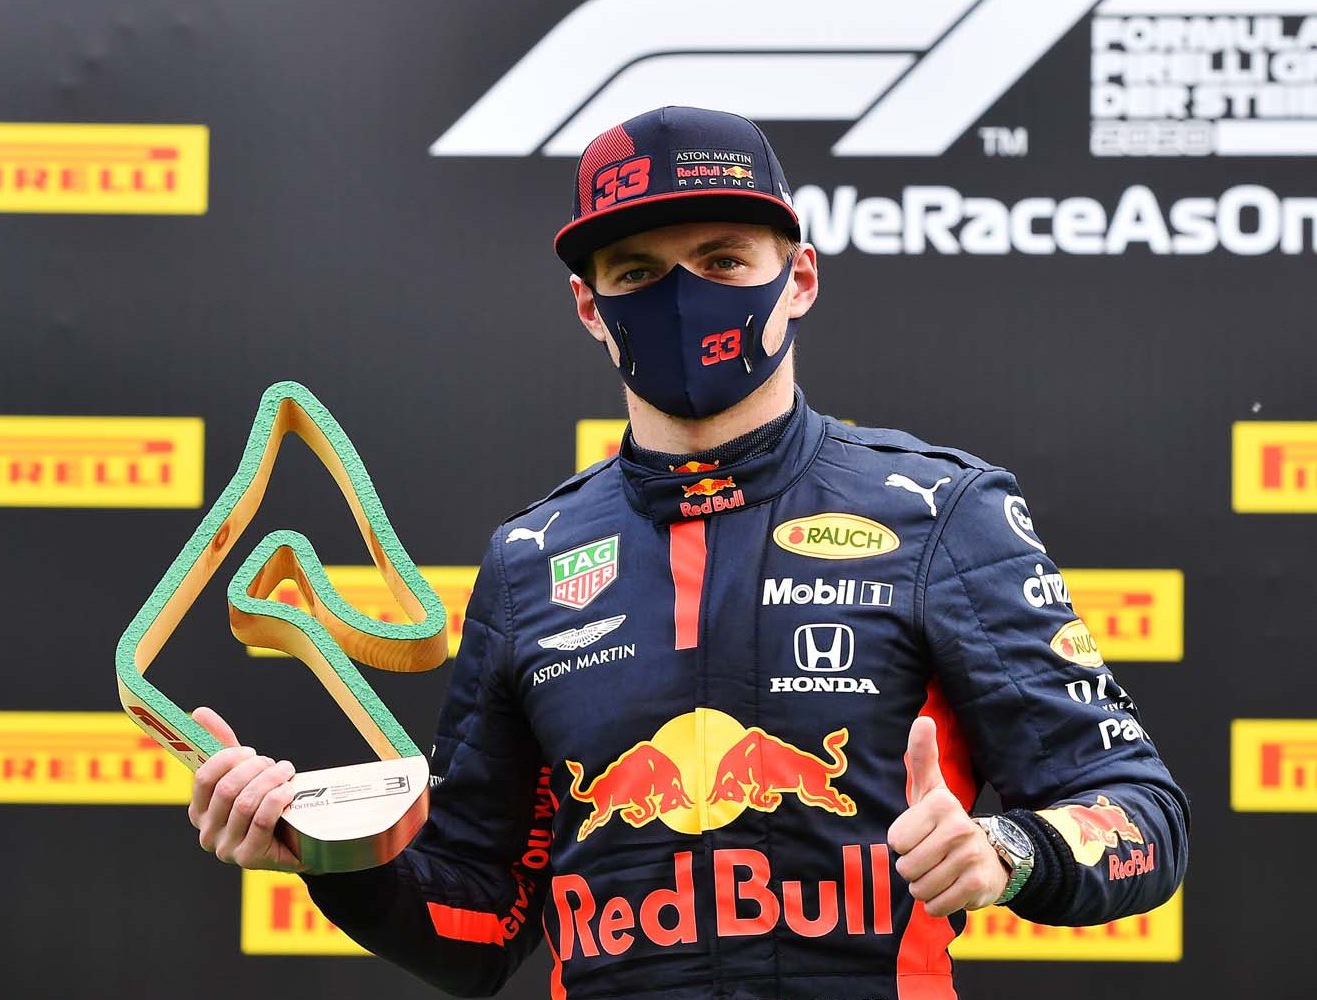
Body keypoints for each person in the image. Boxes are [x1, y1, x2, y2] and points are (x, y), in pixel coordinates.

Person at [185, 106, 1188, 1000]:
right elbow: (478, 927)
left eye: (721, 261)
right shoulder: (530, 561)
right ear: (590, 307)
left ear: (797, 278)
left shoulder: (941, 511)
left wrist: (1008, 850)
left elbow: (1145, 816)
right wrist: (323, 853)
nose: (682, 297)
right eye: (636, 274)